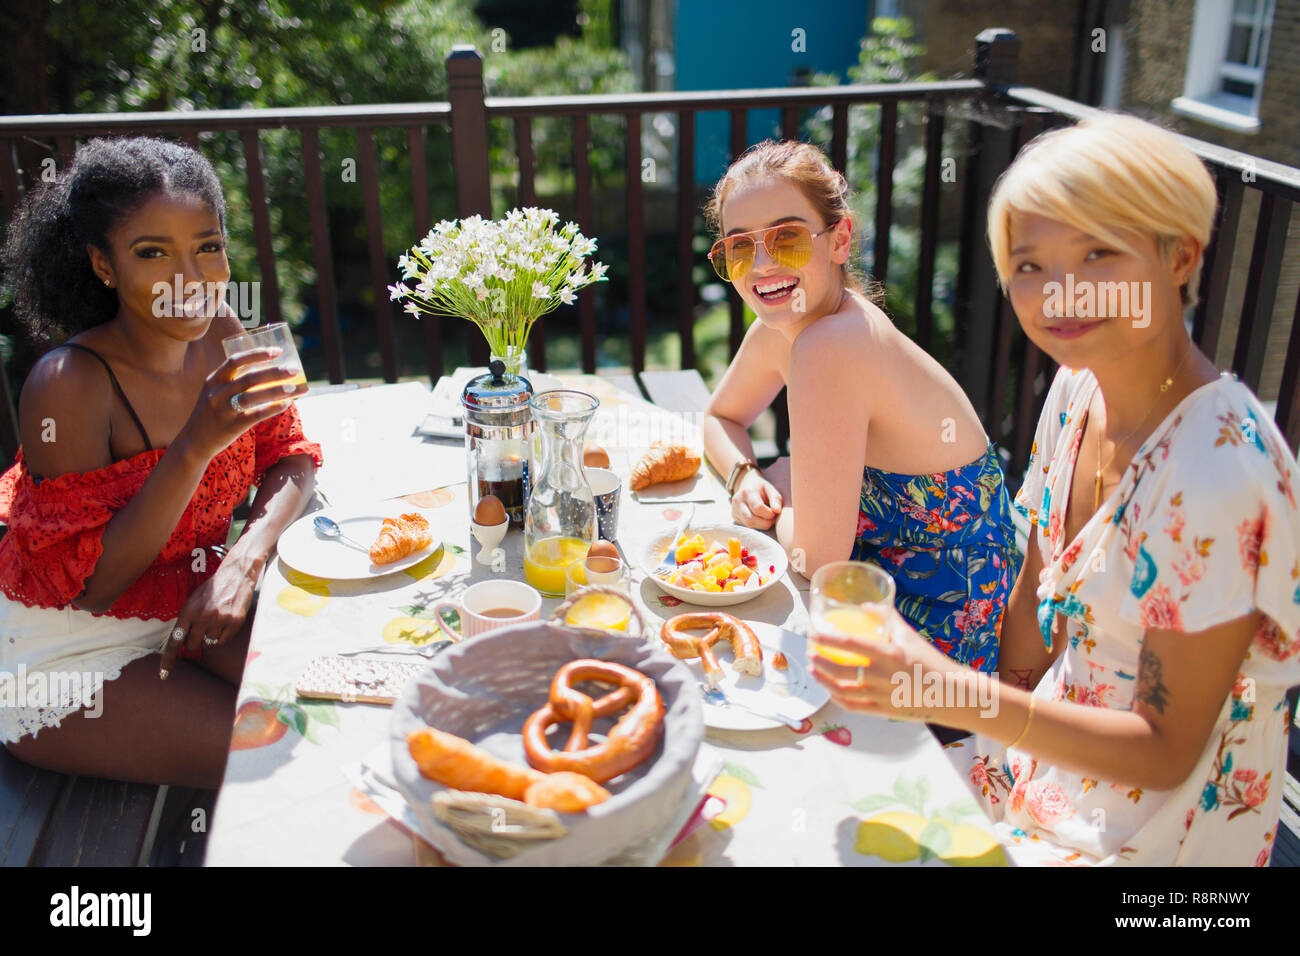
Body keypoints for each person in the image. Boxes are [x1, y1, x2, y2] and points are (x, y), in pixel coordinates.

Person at [809, 113, 1300, 866]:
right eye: (1031, 264)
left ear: (1181, 256)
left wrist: (947, 695)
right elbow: (1039, 584)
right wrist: (989, 745)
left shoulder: (1215, 472)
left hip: (1164, 846)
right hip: (1043, 770)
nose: (1059, 294)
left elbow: (1167, 753)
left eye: (1098, 252)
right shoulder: (1076, 391)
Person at [0, 137, 320, 789]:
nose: (191, 279)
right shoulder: (67, 383)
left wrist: (244, 558)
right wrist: (195, 445)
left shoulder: (227, 332)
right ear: (104, 265)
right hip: (72, 649)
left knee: (333, 702)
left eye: (206, 246)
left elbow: (290, 458)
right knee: (277, 755)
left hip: (190, 604)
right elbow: (95, 588)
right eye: (153, 253)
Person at [701, 139, 1020, 672]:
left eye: (788, 238)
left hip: (936, 642)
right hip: (869, 592)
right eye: (739, 247)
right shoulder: (790, 327)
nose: (762, 264)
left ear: (840, 239)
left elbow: (817, 558)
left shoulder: (834, 345)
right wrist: (743, 477)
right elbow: (719, 417)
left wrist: (786, 486)